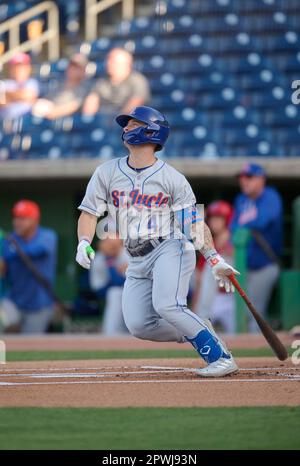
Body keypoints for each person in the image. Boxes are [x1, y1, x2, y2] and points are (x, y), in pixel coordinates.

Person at [76, 105, 239, 377]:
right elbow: (89, 213)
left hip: (169, 247)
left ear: (152, 132)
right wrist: (83, 241)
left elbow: (193, 222)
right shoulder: (106, 172)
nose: (125, 128)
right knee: (139, 325)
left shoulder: (173, 178)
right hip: (135, 257)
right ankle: (200, 330)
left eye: (133, 124)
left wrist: (213, 257)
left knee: (168, 305)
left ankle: (220, 357)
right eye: (125, 124)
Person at [231, 163, 283, 332]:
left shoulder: (270, 197)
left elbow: (262, 221)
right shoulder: (241, 200)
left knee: (255, 314)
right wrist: (246, 223)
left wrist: (245, 222)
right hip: (242, 266)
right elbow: (233, 227)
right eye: (242, 178)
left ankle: (258, 356)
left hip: (265, 265)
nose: (244, 181)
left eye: (249, 177)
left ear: (261, 179)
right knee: (237, 314)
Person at [0, 200, 57, 334]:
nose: (17, 222)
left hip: (40, 304)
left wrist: (11, 250)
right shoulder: (9, 239)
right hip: (13, 301)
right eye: (16, 217)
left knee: (31, 344)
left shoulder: (47, 236)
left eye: (23, 218)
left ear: (35, 220)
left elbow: (37, 250)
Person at [192, 201, 235, 334]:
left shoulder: (235, 241)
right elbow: (200, 280)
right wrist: (195, 307)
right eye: (212, 218)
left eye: (219, 218)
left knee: (239, 336)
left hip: (232, 298)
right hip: (212, 298)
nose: (214, 222)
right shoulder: (207, 245)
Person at [83, 48, 150, 115]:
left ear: (126, 64)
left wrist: (116, 121)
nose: (108, 63)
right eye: (108, 60)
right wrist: (89, 119)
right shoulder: (101, 82)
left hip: (126, 121)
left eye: (113, 61)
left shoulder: (138, 81)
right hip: (102, 120)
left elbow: (134, 105)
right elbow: (91, 103)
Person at [90, 234, 129, 335]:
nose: (111, 247)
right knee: (115, 293)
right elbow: (101, 289)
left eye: (114, 244)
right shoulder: (98, 259)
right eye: (108, 243)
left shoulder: (127, 254)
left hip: (132, 293)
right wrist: (110, 261)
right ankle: (111, 334)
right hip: (106, 294)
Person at [32, 53, 89, 120]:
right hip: (45, 115)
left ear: (83, 71)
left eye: (76, 67)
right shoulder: (58, 84)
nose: (72, 69)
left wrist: (51, 111)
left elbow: (71, 107)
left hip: (64, 122)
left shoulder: (83, 89)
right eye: (71, 65)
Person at [0, 53, 39, 120]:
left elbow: (28, 95)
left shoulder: (32, 82)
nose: (19, 70)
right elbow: (1, 101)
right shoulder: (4, 83)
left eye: (22, 66)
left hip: (27, 121)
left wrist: (7, 95)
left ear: (28, 68)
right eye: (16, 67)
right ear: (11, 69)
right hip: (5, 123)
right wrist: (18, 96)